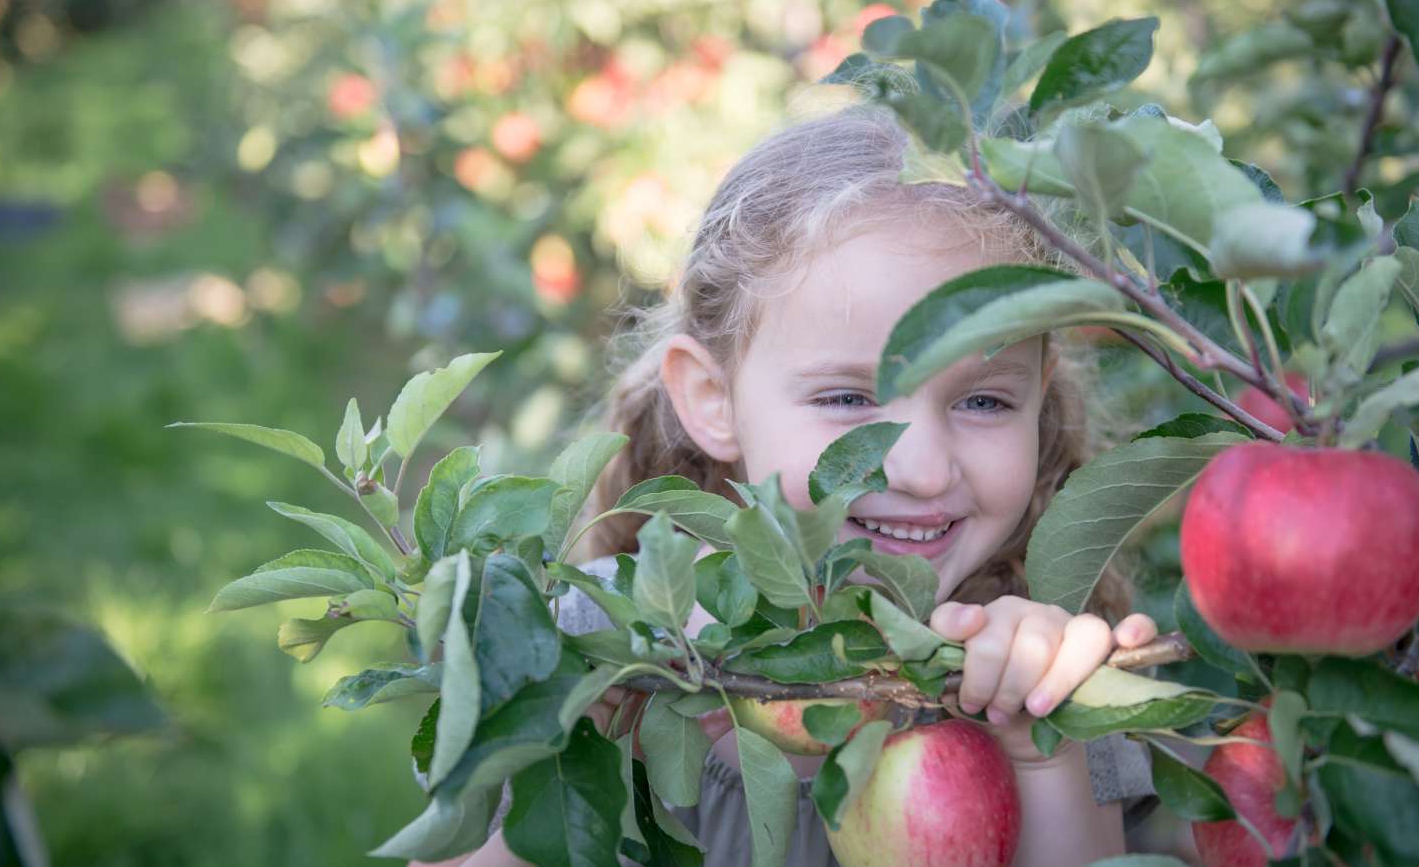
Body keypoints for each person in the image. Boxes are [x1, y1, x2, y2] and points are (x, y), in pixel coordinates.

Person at [419, 102, 1163, 867]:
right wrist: (580, 750)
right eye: (847, 399)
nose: (924, 469)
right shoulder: (593, 639)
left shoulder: (1034, 664)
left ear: (1039, 398)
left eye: (984, 401)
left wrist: (1041, 745)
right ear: (714, 401)